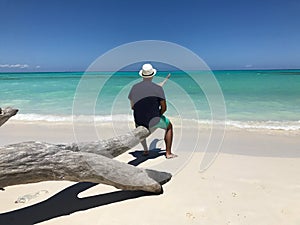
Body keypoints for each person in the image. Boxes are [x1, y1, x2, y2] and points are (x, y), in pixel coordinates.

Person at [128, 63, 177, 159]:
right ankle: (168, 153)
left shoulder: (134, 87)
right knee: (169, 127)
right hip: (154, 120)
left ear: (142, 75)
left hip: (139, 120)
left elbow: (132, 106)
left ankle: (145, 150)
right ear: (152, 75)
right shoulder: (158, 88)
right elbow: (164, 108)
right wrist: (158, 115)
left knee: (138, 126)